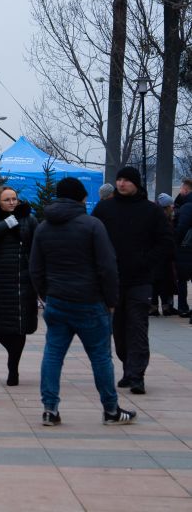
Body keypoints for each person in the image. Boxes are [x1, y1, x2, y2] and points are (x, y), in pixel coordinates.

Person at [30, 176, 135, 426]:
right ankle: (110, 410)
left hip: (57, 301)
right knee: (100, 357)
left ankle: (49, 409)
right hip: (90, 302)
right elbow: (108, 267)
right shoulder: (92, 225)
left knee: (53, 355)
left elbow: (35, 268)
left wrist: (47, 293)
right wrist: (111, 300)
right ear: (82, 197)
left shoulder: (44, 227)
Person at [92, 166, 172, 395]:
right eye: (119, 180)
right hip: (112, 280)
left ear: (136, 183)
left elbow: (166, 242)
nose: (122, 184)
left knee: (137, 327)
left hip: (140, 280)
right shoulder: (104, 209)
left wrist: (147, 262)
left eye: (127, 180)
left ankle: (137, 375)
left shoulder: (151, 211)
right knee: (118, 330)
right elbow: (92, 237)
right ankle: (128, 368)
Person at [0, 186, 39, 386]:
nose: (12, 202)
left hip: (21, 280)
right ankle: (12, 356)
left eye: (14, 199)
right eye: (7, 199)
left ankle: (14, 368)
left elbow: (37, 245)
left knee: (19, 327)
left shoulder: (29, 219)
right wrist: (4, 225)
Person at [174, 193, 192, 317]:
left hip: (185, 249)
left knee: (182, 280)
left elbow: (181, 227)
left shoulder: (186, 207)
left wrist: (176, 242)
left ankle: (183, 307)